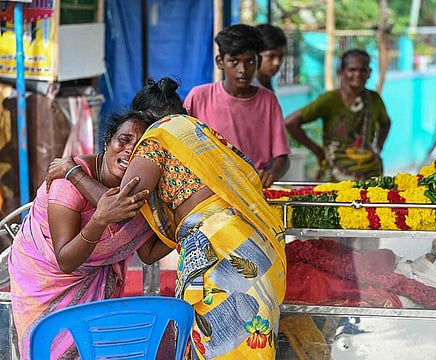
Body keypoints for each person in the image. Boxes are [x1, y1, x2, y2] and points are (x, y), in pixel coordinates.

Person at [49, 77, 287, 359]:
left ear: (144, 121)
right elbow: (149, 253)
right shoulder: (202, 134)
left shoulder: (156, 138)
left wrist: (71, 172)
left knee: (222, 350)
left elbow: (121, 208)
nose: (134, 145)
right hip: (258, 248)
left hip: (224, 253)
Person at [8, 111, 173, 359]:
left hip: (96, 283)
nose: (129, 150)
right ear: (108, 141)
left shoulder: (139, 192)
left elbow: (148, 253)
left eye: (138, 147)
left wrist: (183, 229)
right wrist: (99, 219)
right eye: (124, 140)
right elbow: (65, 260)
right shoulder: (68, 184)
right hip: (46, 283)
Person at [183, 23, 291, 188]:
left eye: (250, 61)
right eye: (234, 61)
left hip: (253, 190)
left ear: (258, 61)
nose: (243, 69)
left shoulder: (268, 100)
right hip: (209, 190)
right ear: (220, 62)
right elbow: (180, 146)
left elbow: (282, 156)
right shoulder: (199, 97)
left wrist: (271, 174)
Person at [285, 48, 391, 181]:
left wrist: (378, 147)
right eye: (352, 70)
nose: (357, 74)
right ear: (340, 72)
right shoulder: (329, 100)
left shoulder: (374, 99)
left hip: (370, 175)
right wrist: (318, 151)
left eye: (362, 70)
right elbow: (290, 122)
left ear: (369, 73)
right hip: (335, 176)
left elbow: (386, 123)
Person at [253, 23, 287, 91]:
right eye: (271, 56)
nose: (277, 63)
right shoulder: (247, 91)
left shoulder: (266, 83)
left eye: (280, 56)